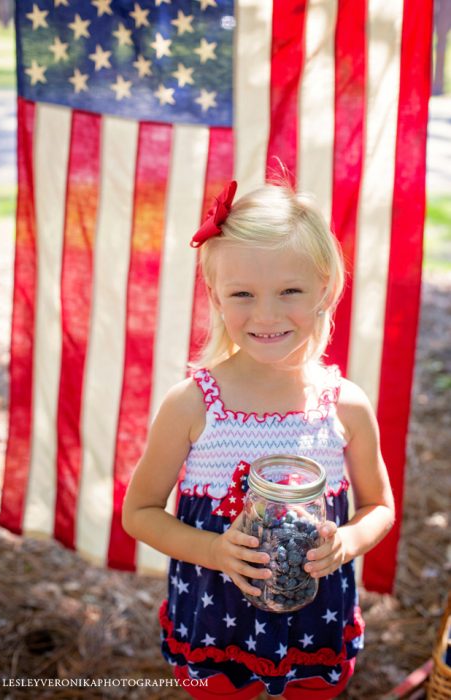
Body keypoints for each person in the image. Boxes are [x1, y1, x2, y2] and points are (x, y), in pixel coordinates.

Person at [122, 176, 395, 699]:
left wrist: (348, 542)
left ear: (325, 287)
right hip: (216, 624)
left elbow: (379, 506)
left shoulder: (345, 405)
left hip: (314, 621)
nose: (266, 314)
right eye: (243, 294)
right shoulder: (193, 404)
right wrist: (215, 551)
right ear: (215, 296)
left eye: (289, 290)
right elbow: (140, 512)